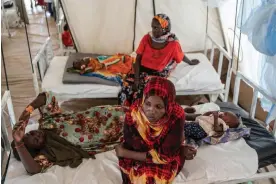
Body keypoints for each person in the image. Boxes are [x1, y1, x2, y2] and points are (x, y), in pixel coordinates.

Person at [11, 92, 126, 174]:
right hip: (112, 130)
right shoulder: (50, 152)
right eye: (36, 140)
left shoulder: (46, 122)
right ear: (36, 150)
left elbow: (45, 97)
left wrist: (26, 112)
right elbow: (33, 169)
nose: (37, 134)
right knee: (139, 123)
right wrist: (18, 143)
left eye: (31, 133)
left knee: (138, 112)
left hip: (107, 113)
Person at [115, 77, 197, 184]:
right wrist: (156, 150)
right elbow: (131, 143)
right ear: (143, 100)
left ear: (168, 106)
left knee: (156, 179)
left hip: (161, 159)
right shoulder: (135, 111)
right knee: (138, 175)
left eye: (158, 106)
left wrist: (124, 153)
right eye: (147, 104)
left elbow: (165, 156)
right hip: (139, 155)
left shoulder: (176, 116)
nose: (151, 111)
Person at [119, 13, 199, 106]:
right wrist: (136, 79)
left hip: (158, 72)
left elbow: (180, 55)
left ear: (165, 28)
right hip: (141, 68)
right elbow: (138, 58)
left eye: (156, 28)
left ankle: (138, 117)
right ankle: (124, 113)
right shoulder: (147, 38)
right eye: (152, 27)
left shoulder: (173, 43)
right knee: (126, 90)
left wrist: (189, 62)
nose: (153, 30)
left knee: (143, 93)